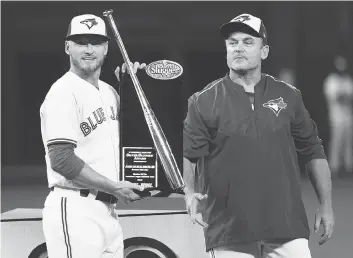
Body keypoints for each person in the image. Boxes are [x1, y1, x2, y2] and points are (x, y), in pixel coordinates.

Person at [183, 14, 335, 258]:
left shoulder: (289, 96)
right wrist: (189, 194)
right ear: (225, 51)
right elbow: (191, 156)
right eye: (232, 43)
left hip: (286, 227)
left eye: (247, 41)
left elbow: (313, 151)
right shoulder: (202, 101)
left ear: (264, 51)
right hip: (229, 231)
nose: (238, 48)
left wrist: (325, 205)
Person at [40, 14, 146, 258]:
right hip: (75, 207)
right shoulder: (63, 92)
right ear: (67, 47)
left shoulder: (110, 92)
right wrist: (115, 186)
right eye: (80, 42)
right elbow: (62, 159)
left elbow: (134, 138)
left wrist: (134, 88)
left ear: (106, 48)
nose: (88, 49)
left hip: (107, 210)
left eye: (95, 42)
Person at [323, 55, 353, 176]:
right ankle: (334, 168)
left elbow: (349, 98)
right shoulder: (331, 80)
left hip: (348, 116)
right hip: (336, 117)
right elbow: (336, 98)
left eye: (343, 63)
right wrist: (344, 97)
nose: (342, 66)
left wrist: (344, 97)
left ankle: (348, 167)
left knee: (348, 143)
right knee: (337, 142)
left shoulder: (348, 80)